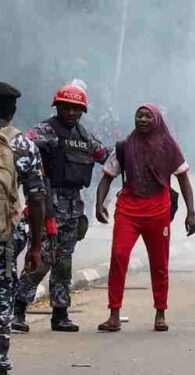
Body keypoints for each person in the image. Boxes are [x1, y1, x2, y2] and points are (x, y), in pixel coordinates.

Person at [14, 84, 109, 333]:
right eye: (66, 107)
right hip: (47, 205)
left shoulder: (84, 136)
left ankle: (60, 314)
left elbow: (105, 156)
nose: (71, 113)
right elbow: (21, 147)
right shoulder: (45, 131)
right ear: (57, 107)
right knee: (42, 260)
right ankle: (18, 308)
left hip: (73, 206)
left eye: (76, 109)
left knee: (63, 263)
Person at [94, 103, 195, 332]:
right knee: (119, 256)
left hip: (158, 210)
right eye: (138, 116)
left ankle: (160, 312)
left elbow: (183, 180)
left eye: (147, 116)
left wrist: (191, 213)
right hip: (128, 210)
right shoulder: (123, 146)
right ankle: (114, 314)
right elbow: (107, 177)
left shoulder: (169, 146)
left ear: (157, 120)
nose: (142, 120)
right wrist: (99, 203)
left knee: (159, 262)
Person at [0, 82, 45, 375]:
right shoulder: (22, 145)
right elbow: (37, 198)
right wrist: (36, 246)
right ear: (13, 110)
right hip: (5, 235)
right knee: (2, 296)